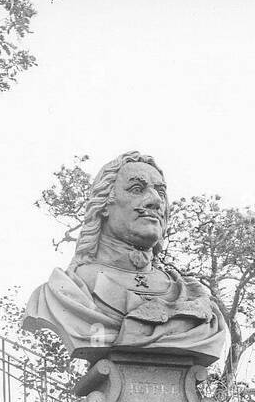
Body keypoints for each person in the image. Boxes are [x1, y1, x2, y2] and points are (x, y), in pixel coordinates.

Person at [23, 152, 228, 365]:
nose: (156, 201)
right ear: (103, 205)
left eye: (160, 192)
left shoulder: (190, 295)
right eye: (137, 189)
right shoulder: (65, 292)